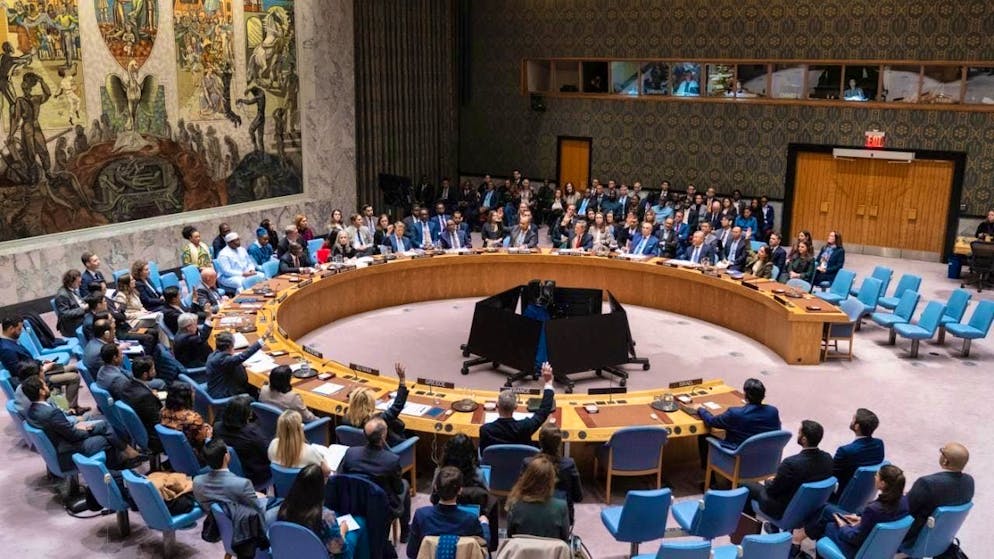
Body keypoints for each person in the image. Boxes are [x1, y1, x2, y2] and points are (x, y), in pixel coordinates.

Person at [22, 375, 142, 470]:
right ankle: (117, 468)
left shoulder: (32, 411)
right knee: (103, 435)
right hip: (67, 450)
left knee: (94, 420)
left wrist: (78, 423)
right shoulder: (51, 413)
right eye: (45, 385)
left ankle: (124, 454)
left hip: (59, 443)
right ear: (41, 391)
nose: (47, 386)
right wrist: (86, 428)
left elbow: (61, 426)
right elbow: (75, 436)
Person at [684, 378, 781, 485]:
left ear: (746, 395)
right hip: (766, 460)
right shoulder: (773, 411)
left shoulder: (735, 414)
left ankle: (712, 482)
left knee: (704, 436)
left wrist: (700, 409)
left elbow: (711, 421)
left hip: (739, 460)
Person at [799, 465, 907, 558]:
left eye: (877, 476)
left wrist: (842, 525)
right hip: (880, 544)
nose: (875, 477)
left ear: (883, 483)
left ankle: (798, 542)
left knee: (828, 526)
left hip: (859, 548)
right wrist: (861, 519)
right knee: (827, 509)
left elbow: (854, 538)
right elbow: (881, 519)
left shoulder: (874, 509)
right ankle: (800, 538)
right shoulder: (905, 501)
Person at [340, 417, 412, 541]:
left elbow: (341, 478)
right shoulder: (391, 460)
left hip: (356, 501)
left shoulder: (351, 453)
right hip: (381, 506)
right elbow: (398, 489)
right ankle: (405, 532)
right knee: (405, 484)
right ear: (383, 436)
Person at [745, 420, 834, 520]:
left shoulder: (791, 463)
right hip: (808, 507)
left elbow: (772, 491)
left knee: (746, 485)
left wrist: (768, 481)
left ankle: (750, 526)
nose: (798, 434)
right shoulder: (828, 458)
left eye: (799, 432)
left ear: (804, 439)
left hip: (784, 508)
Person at [0, 316, 84, 413]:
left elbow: (27, 360)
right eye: (19, 329)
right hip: (34, 378)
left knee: (73, 368)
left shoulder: (10, 342)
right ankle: (70, 410)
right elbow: (19, 373)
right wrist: (44, 369)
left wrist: (42, 363)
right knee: (74, 377)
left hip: (38, 369)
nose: (21, 332)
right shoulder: (7, 349)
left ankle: (73, 405)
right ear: (11, 329)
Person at [407, 466, 490, 558]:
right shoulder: (471, 519)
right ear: (460, 490)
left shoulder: (421, 515)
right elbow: (484, 546)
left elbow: (411, 552)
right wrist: (484, 524)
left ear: (435, 487)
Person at [274, 464, 353, 559]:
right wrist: (343, 530)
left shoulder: (283, 508)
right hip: (320, 555)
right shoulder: (326, 516)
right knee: (355, 533)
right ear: (320, 487)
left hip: (293, 553)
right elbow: (337, 549)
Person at [904, 443, 974, 545]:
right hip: (942, 537)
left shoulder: (926, 483)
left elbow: (906, 509)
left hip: (915, 537)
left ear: (945, 461)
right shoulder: (969, 481)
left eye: (942, 452)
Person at [479, 362, 554, 451]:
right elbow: (543, 411)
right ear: (516, 406)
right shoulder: (525, 426)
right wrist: (548, 383)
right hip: (522, 464)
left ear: (497, 405)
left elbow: (484, 453)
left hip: (495, 464)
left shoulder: (485, 430)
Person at [524, 424, 582, 524]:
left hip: (531, 517)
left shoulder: (528, 463)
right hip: (561, 519)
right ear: (559, 443)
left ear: (540, 442)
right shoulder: (569, 464)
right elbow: (578, 497)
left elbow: (521, 493)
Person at [341, 363, 409, 446]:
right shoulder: (378, 420)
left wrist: (354, 394)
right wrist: (402, 381)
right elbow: (397, 406)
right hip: (390, 450)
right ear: (370, 404)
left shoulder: (346, 418)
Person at [506, 455, 570, 542]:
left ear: (527, 478)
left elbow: (510, 537)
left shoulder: (514, 505)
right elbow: (565, 539)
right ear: (551, 481)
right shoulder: (561, 507)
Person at [213, 395, 272, 488]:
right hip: (255, 475)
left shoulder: (216, 427)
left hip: (230, 469)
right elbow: (269, 454)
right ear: (245, 414)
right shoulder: (252, 432)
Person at [832, 408, 885, 500]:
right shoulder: (879, 444)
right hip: (865, 495)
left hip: (843, 496)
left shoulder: (845, 451)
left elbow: (831, 475)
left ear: (857, 426)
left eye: (853, 419)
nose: (851, 421)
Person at [117, 356, 163, 452]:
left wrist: (150, 393)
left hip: (138, 431)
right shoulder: (145, 397)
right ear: (145, 374)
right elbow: (157, 421)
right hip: (155, 438)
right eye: (153, 369)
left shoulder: (125, 385)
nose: (155, 371)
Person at [206, 330, 269, 399]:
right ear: (230, 346)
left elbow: (230, 362)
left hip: (215, 388)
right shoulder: (224, 360)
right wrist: (263, 338)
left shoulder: (213, 355)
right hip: (222, 394)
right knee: (255, 391)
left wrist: (240, 364)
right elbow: (243, 356)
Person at [160, 381, 213, 463]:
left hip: (174, 454)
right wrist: (208, 432)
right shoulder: (193, 419)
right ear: (187, 398)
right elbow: (201, 441)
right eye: (193, 392)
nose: (194, 394)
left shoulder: (163, 412)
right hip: (196, 457)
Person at [269, 408, 331, 475]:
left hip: (281, 484)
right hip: (306, 485)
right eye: (300, 423)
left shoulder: (273, 445)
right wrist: (323, 459)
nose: (303, 425)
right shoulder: (310, 451)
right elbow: (327, 471)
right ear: (297, 431)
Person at [54, 269, 88, 336]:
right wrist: (83, 309)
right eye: (78, 282)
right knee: (94, 322)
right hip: (72, 324)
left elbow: (78, 301)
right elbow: (65, 314)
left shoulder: (72, 289)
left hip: (78, 316)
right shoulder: (62, 295)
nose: (80, 284)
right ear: (71, 282)